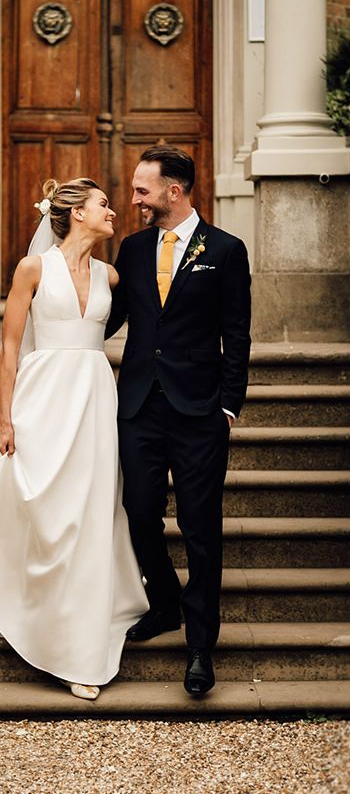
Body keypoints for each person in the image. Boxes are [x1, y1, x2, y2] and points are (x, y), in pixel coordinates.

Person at [105, 146, 251, 697]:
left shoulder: (227, 250)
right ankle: (163, 603)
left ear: (175, 190)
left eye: (144, 190)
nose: (135, 200)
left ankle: (199, 647)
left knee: (200, 528)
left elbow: (237, 331)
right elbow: (109, 317)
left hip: (199, 412)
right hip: (139, 406)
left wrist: (229, 402)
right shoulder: (134, 249)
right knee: (139, 514)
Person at [0, 178, 149, 701]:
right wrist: (4, 417)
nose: (113, 211)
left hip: (94, 400)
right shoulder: (32, 269)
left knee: (91, 517)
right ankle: (38, 620)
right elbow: (11, 347)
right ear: (75, 213)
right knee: (51, 514)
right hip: (42, 399)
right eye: (104, 205)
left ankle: (80, 648)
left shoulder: (111, 274)